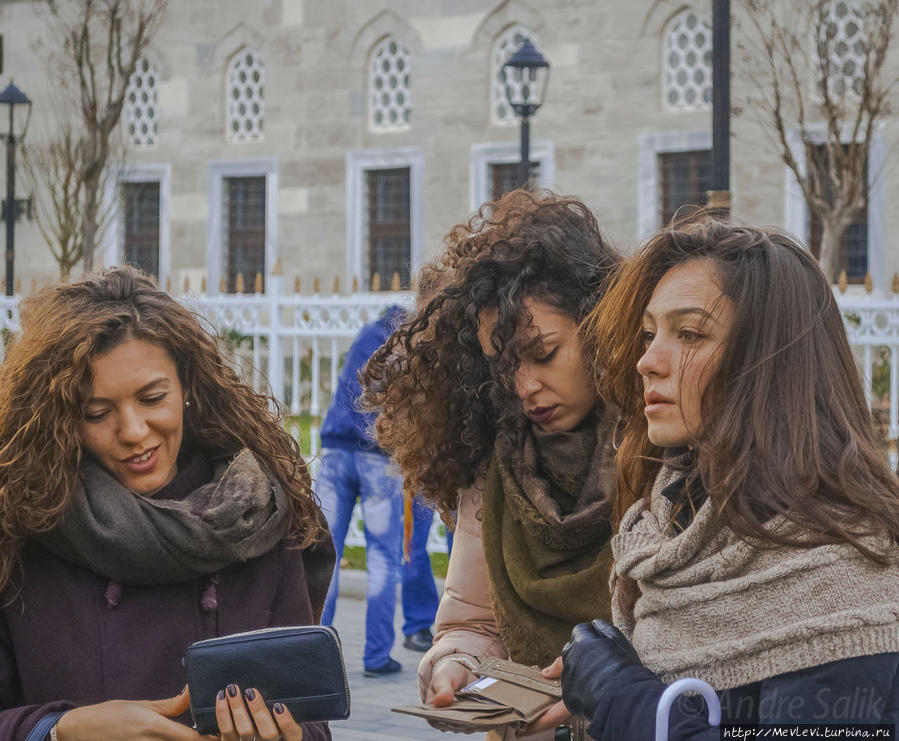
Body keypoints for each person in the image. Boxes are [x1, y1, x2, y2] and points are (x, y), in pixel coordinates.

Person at [562, 218, 899, 739]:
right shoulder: (665, 528)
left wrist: (617, 697)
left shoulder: (844, 573)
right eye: (650, 334)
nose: (648, 361)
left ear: (768, 361)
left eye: (690, 334)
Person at [0, 267, 336, 741]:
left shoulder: (259, 516)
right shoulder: (22, 523)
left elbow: (312, 722)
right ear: (61, 420)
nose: (133, 431)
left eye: (152, 397)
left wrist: (286, 735)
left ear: (188, 389)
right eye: (96, 413)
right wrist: (61, 730)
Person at [362, 190, 621, 741]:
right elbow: (471, 624)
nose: (524, 387)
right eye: (503, 366)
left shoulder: (664, 458)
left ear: (599, 326)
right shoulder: (494, 471)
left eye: (544, 352)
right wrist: (454, 667)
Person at [318, 304, 441, 676]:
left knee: (326, 558)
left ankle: (315, 656)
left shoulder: (365, 336)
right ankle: (375, 658)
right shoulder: (411, 347)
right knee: (383, 561)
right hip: (378, 457)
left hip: (335, 453)